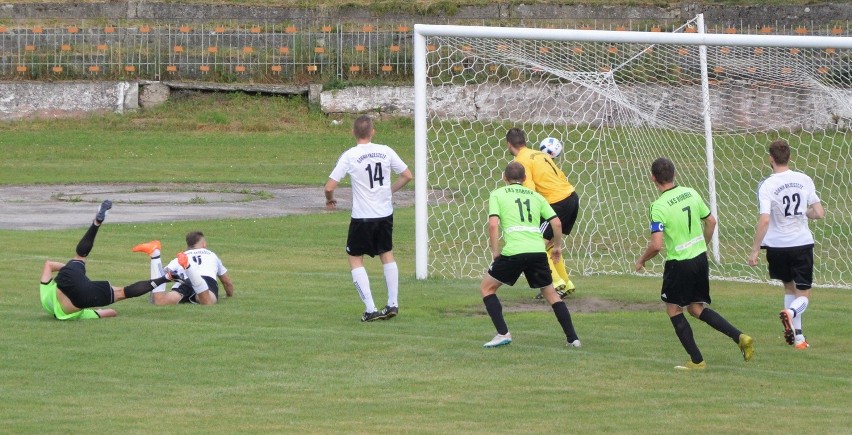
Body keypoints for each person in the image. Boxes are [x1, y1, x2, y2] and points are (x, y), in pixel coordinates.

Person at [635, 158, 754, 369]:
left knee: (674, 309)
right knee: (696, 308)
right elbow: (711, 221)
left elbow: (656, 245)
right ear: (674, 174)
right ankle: (740, 337)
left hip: (679, 264)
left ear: (653, 178)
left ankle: (697, 361)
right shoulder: (691, 192)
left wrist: (642, 260)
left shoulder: (658, 206)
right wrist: (703, 245)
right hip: (700, 259)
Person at [479, 161, 581, 348]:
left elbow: (493, 224)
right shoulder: (536, 196)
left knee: (487, 288)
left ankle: (503, 333)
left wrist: (495, 252)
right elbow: (557, 223)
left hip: (514, 251)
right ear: (525, 179)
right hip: (537, 250)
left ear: (504, 178)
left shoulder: (497, 194)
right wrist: (557, 246)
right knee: (551, 294)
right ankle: (573, 339)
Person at [324, 115, 413, 322]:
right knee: (387, 254)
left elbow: (329, 186)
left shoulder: (350, 155)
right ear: (372, 132)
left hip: (362, 217)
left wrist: (330, 199)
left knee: (355, 258)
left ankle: (371, 308)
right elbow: (407, 175)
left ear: (353, 133)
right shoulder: (385, 150)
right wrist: (389, 191)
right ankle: (393, 303)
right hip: (384, 214)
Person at [39, 200, 177, 320]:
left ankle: (166, 277)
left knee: (123, 292)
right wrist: (71, 270)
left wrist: (97, 310)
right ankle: (97, 222)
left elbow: (111, 312)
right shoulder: (45, 299)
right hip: (66, 279)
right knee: (80, 256)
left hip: (82, 298)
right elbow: (48, 265)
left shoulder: (69, 315)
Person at [747, 140, 825, 350]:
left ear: (770, 159)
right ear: (789, 157)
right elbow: (818, 212)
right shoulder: (804, 179)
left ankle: (798, 338)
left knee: (789, 288)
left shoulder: (767, 185)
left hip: (776, 246)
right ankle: (790, 313)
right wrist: (803, 213)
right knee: (804, 293)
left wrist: (755, 250)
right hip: (801, 243)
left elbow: (764, 220)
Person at [505, 128, 579, 298]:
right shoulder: (540, 154)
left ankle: (556, 284)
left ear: (509, 144)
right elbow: (560, 175)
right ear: (524, 141)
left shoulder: (521, 160)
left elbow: (529, 190)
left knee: (535, 244)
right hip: (572, 198)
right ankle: (565, 283)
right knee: (549, 245)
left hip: (557, 202)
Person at [132, 231, 234, 306]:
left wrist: (153, 295)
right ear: (204, 244)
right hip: (205, 282)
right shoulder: (211, 255)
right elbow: (226, 282)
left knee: (160, 301)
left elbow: (162, 274)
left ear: (188, 246)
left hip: (184, 282)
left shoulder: (183, 255)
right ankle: (188, 267)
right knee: (207, 302)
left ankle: (155, 255)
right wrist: (229, 296)